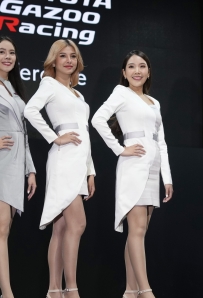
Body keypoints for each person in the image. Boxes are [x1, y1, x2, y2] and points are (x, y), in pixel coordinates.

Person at [91, 50, 173, 298]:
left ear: (148, 71)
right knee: (136, 230)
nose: (137, 71)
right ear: (124, 73)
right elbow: (98, 119)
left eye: (142, 66)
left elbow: (162, 142)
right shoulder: (121, 93)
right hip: (133, 165)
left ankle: (130, 291)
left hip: (152, 167)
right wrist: (119, 149)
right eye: (131, 67)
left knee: (139, 232)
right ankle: (146, 291)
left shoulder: (154, 102)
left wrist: (167, 178)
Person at [24, 39, 96, 298]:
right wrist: (54, 137)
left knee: (62, 227)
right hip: (63, 159)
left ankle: (54, 290)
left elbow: (85, 133)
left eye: (73, 56)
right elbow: (31, 110)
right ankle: (72, 289)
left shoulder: (79, 93)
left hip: (79, 162)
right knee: (77, 224)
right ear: (53, 60)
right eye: (63, 56)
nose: (69, 60)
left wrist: (91, 171)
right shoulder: (49, 84)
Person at [0, 36, 37, 298]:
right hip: (1, 162)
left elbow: (23, 132)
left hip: (15, 164)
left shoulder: (13, 89)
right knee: (1, 229)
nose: (7, 57)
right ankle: (8, 293)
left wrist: (30, 169)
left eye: (11, 52)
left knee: (4, 230)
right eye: (1, 52)